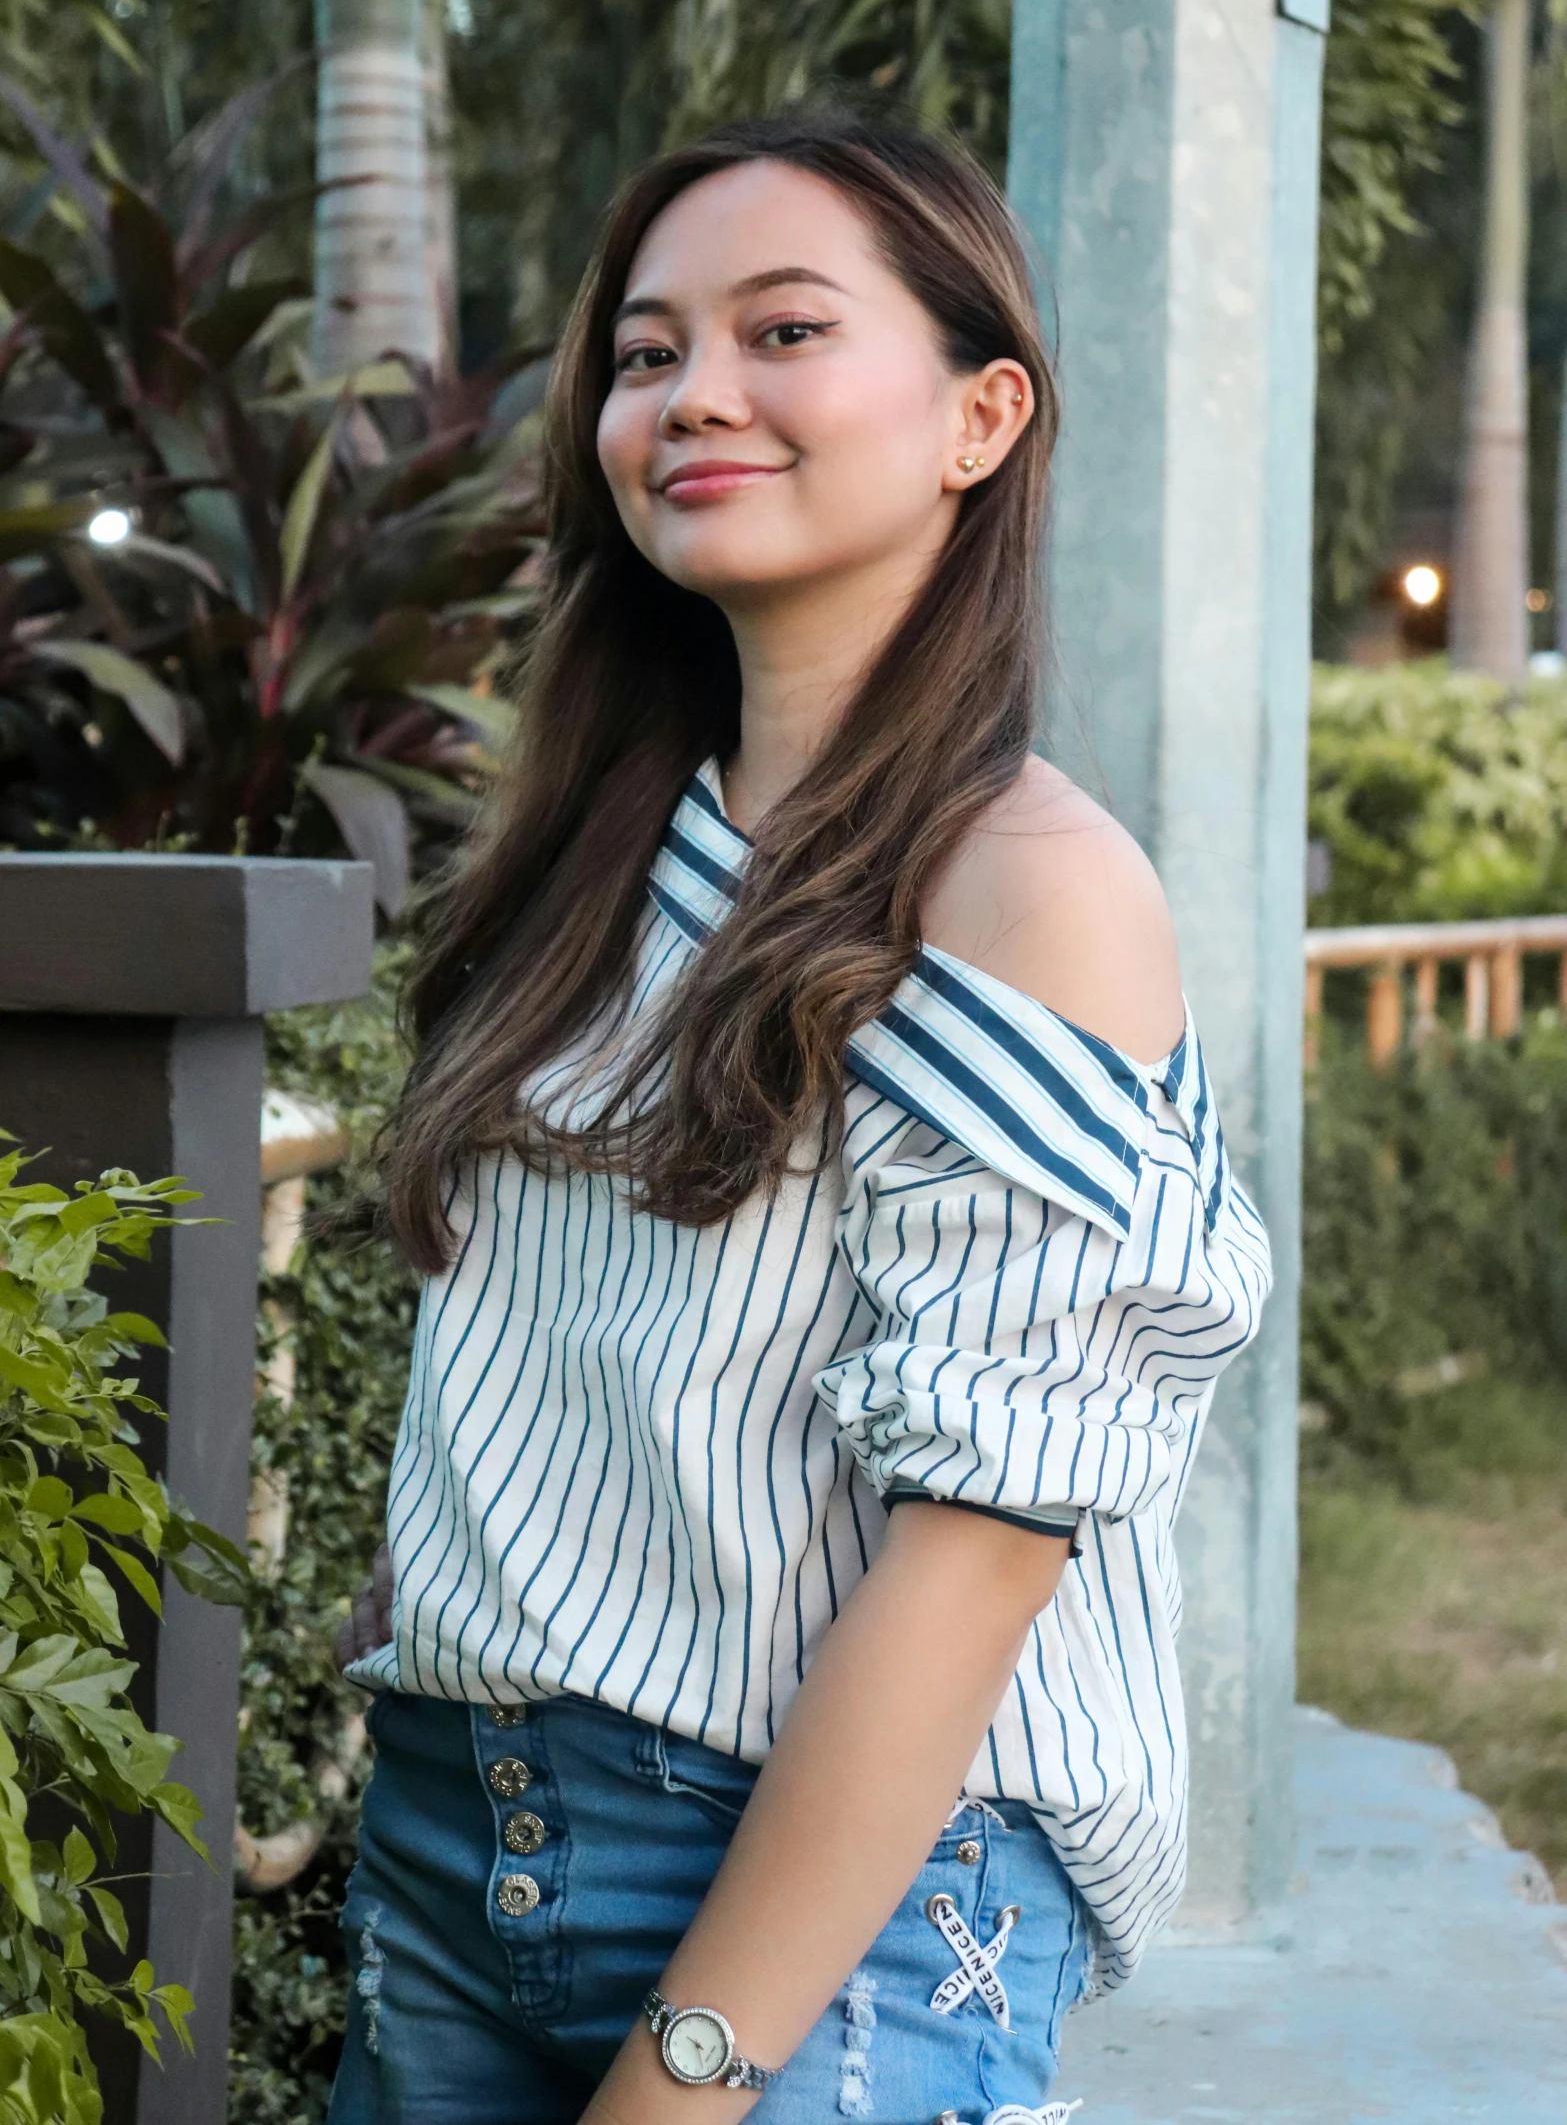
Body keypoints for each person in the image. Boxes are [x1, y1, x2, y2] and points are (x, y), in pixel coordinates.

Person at [328, 109, 1271, 2125]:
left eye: (782, 330)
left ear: (979, 414)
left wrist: (695, 2062)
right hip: (453, 1832)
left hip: (812, 1907)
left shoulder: (1023, 883)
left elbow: (978, 1554)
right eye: (649, 351)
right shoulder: (606, 840)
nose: (694, 396)